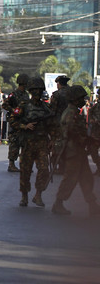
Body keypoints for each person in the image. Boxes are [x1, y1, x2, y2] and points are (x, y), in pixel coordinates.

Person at [52, 85, 100, 216]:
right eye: (80, 98)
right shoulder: (70, 113)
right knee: (71, 178)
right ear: (74, 99)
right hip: (72, 151)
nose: (83, 101)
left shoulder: (73, 112)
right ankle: (58, 203)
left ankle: (92, 204)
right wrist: (86, 140)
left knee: (86, 177)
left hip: (78, 151)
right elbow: (72, 131)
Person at [9, 77, 53, 207]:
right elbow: (12, 120)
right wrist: (24, 126)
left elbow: (52, 125)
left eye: (39, 90)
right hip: (28, 143)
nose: (37, 92)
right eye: (35, 90)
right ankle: (24, 196)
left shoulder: (46, 107)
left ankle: (38, 195)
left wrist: (54, 140)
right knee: (25, 171)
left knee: (44, 170)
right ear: (30, 91)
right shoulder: (23, 106)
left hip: (42, 144)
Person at [2, 73, 30, 172]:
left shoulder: (26, 95)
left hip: (24, 121)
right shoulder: (13, 94)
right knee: (14, 143)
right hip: (15, 122)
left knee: (25, 143)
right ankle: (11, 164)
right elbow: (4, 105)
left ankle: (24, 164)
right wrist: (13, 110)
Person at [50, 75, 71, 174]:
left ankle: (58, 167)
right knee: (69, 145)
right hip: (71, 123)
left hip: (58, 124)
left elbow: (52, 110)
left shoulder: (56, 94)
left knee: (56, 145)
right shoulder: (72, 93)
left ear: (59, 84)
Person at [88, 88, 100, 175]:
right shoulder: (96, 106)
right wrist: (92, 119)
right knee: (92, 150)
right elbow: (90, 113)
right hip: (96, 133)